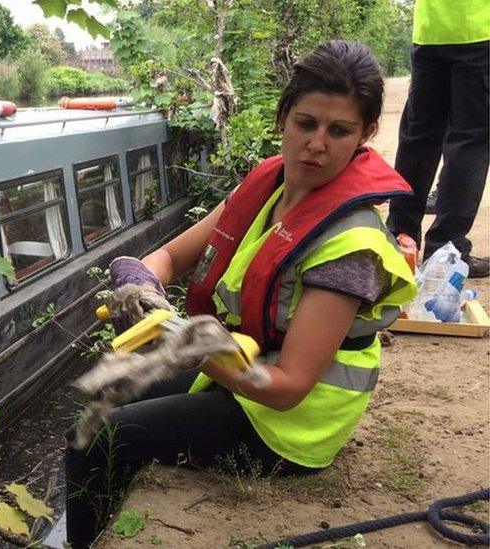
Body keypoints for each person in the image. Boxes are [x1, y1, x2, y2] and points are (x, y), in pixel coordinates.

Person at [63, 41, 418, 548]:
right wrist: (138, 277)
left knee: (93, 439)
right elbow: (172, 258)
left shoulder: (350, 247)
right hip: (247, 370)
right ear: (283, 119)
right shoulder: (268, 187)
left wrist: (187, 345)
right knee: (106, 388)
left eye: (338, 131)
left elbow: (288, 386)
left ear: (365, 135)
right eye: (305, 122)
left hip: (290, 423)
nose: (317, 143)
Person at [384, 0, 490, 278]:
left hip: (429, 32)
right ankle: (446, 250)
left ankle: (399, 239)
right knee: (470, 142)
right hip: (479, 30)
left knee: (418, 138)